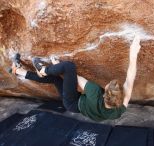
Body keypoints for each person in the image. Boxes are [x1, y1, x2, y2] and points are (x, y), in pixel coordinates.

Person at [11, 35, 141, 121]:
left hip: (73, 101)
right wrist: (134, 55)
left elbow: (74, 76)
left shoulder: (95, 92)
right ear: (118, 101)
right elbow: (130, 78)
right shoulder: (118, 110)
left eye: (106, 86)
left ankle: (43, 70)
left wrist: (56, 66)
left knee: (68, 67)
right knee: (55, 79)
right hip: (76, 107)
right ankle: (19, 71)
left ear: (104, 95)